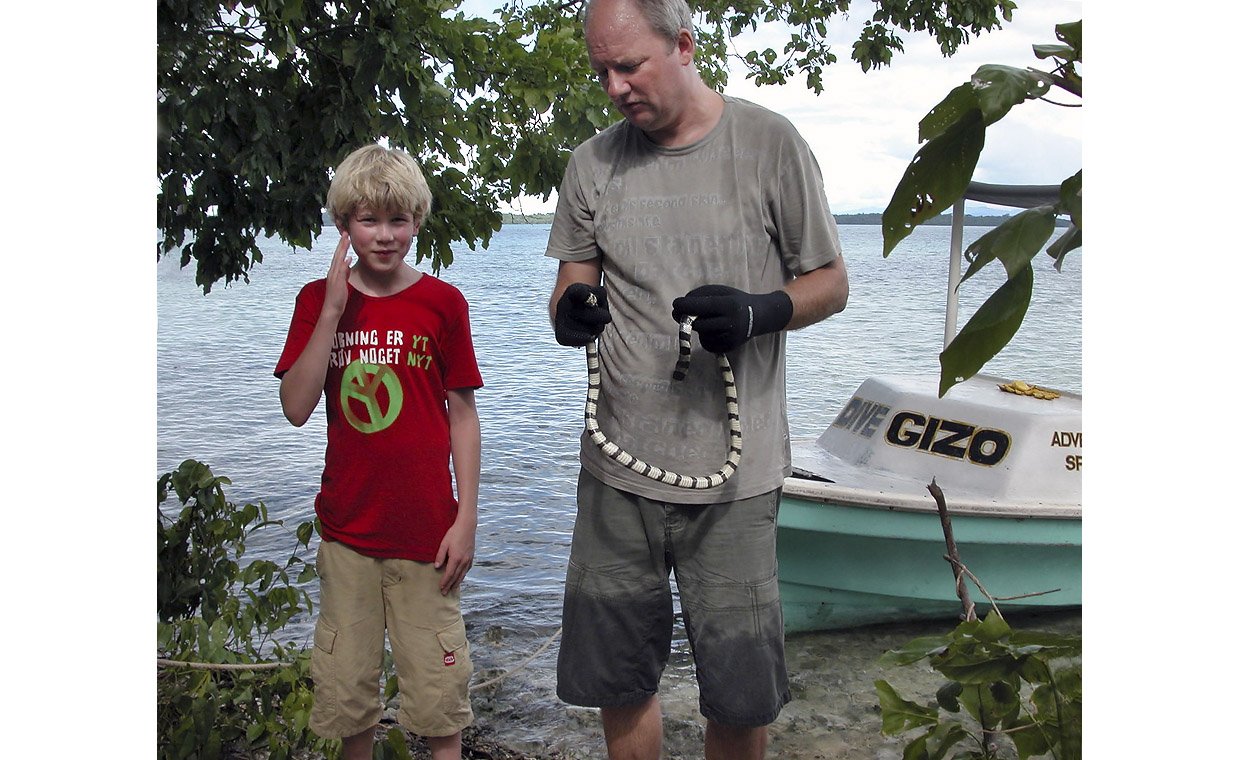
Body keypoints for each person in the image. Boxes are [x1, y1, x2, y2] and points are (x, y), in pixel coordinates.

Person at [545, 0, 850, 757]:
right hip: (617, 470)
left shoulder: (770, 144)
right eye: (601, 71)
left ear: (682, 45)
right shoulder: (593, 163)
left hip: (733, 486)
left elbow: (832, 282)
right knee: (618, 684)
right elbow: (570, 282)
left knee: (742, 698)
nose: (614, 87)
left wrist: (763, 309)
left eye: (628, 66)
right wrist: (569, 312)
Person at [274, 144, 483, 760]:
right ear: (344, 226)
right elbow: (295, 406)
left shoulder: (442, 303)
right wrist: (335, 312)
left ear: (417, 220)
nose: (385, 235)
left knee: (440, 705)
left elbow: (463, 415)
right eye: (369, 220)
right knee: (349, 703)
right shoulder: (318, 302)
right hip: (349, 535)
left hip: (428, 537)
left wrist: (466, 518)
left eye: (399, 220)